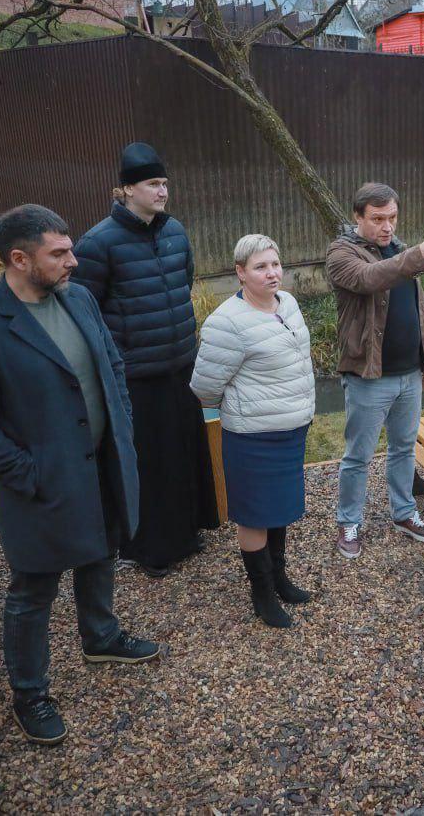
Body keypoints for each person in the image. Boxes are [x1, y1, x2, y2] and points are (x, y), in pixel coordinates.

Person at [0, 205, 161, 746]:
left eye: (70, 249)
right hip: (39, 485)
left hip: (99, 466)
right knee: (33, 590)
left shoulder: (79, 299)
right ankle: (30, 692)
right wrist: (30, 473)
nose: (73, 261)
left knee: (101, 551)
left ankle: (101, 636)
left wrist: (121, 431)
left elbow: (111, 367)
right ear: (19, 259)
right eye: (58, 253)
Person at [71, 141, 217, 577]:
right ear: (127, 189)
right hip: (136, 376)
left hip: (180, 364)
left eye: (165, 184)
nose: (163, 192)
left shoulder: (175, 232)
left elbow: (183, 283)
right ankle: (150, 547)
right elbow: (85, 310)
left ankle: (189, 531)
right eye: (154, 184)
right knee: (148, 464)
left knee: (184, 453)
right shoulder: (98, 243)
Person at [325, 182, 424, 559]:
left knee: (403, 448)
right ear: (358, 217)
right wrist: (422, 252)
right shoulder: (341, 253)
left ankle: (404, 512)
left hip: (408, 375)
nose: (387, 226)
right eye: (378, 218)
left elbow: (418, 313)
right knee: (359, 455)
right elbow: (372, 279)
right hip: (369, 377)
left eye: (393, 218)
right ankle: (348, 521)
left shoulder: (400, 250)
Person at [191, 235, 316, 628]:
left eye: (275, 264)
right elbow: (205, 387)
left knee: (279, 510)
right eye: (261, 267)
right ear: (240, 273)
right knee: (254, 516)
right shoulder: (226, 323)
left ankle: (280, 579)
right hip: (253, 438)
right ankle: (261, 592)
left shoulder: (289, 304)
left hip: (291, 429)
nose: (272, 272)